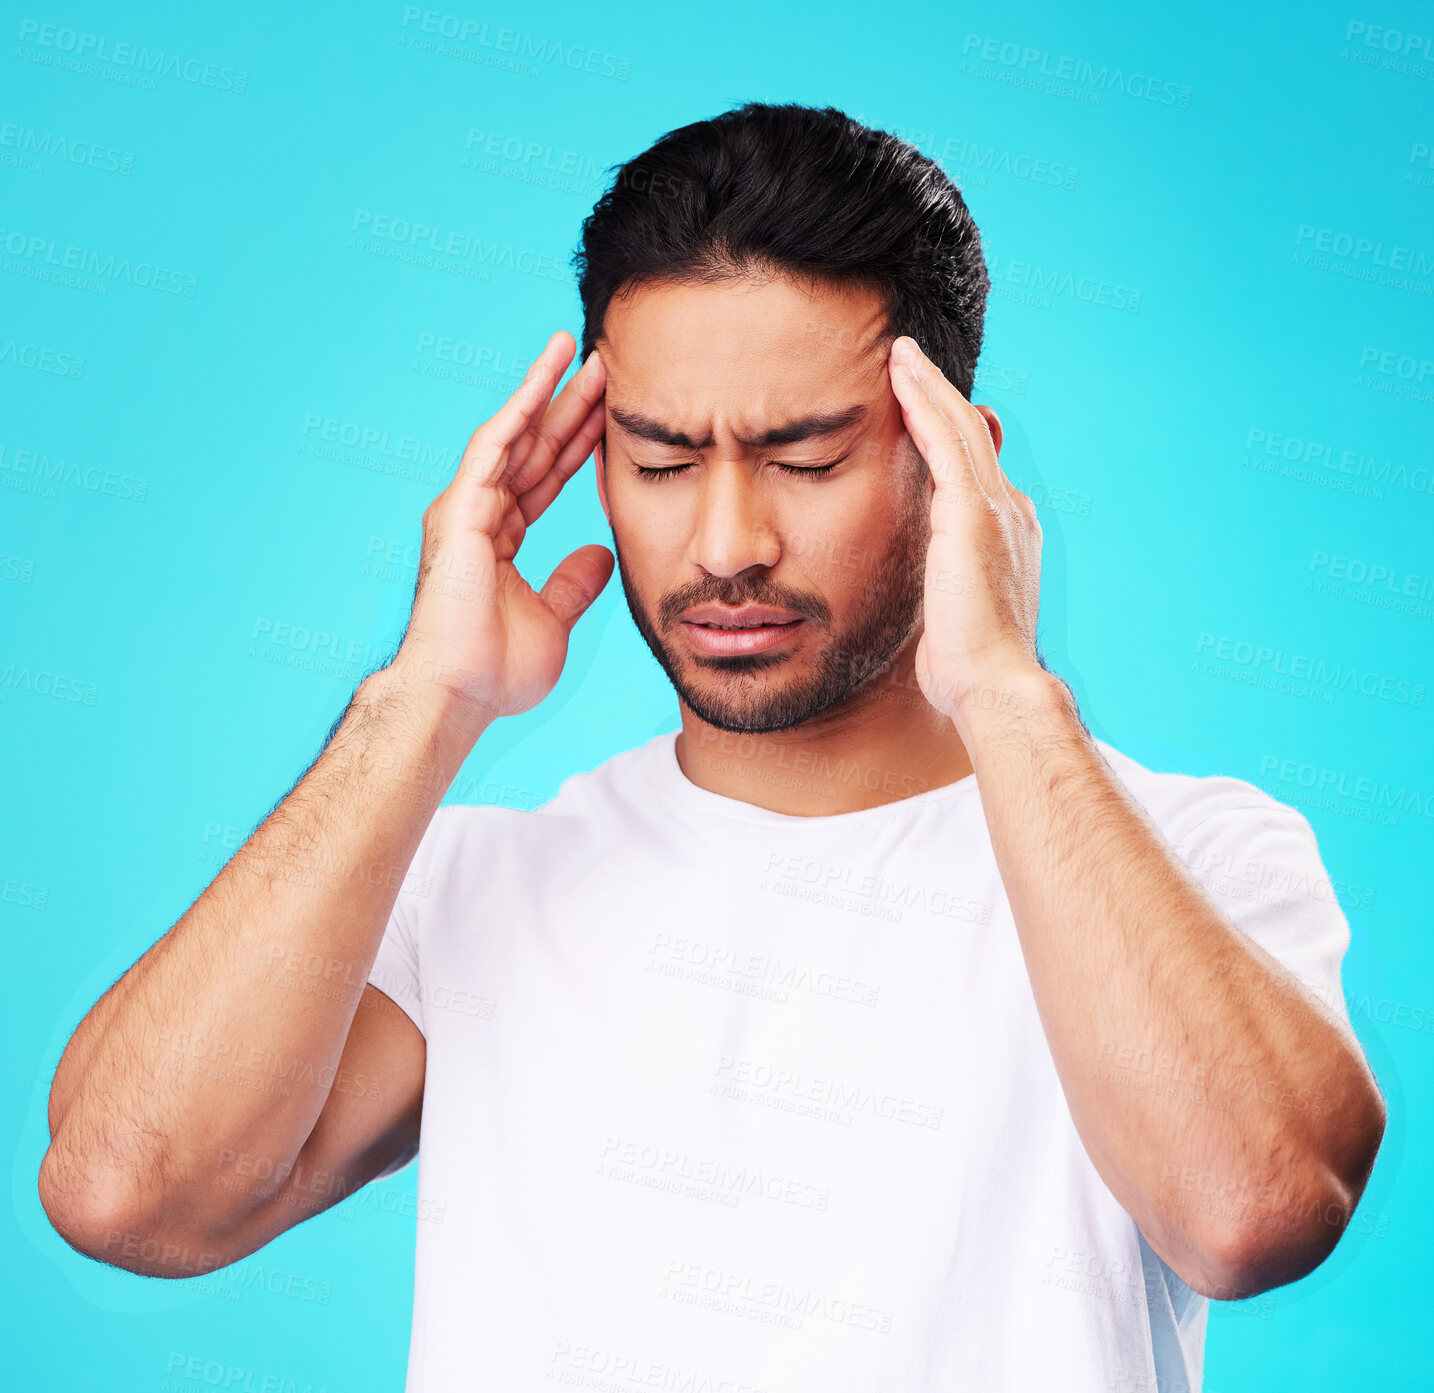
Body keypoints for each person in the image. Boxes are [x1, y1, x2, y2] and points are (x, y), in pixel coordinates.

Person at [38, 102, 1384, 1393]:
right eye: (664, 460)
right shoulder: (463, 889)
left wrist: (1004, 688)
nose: (726, 543)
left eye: (803, 459)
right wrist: (421, 698)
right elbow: (126, 1190)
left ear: (953, 461)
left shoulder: (1197, 855)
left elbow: (1248, 1211)